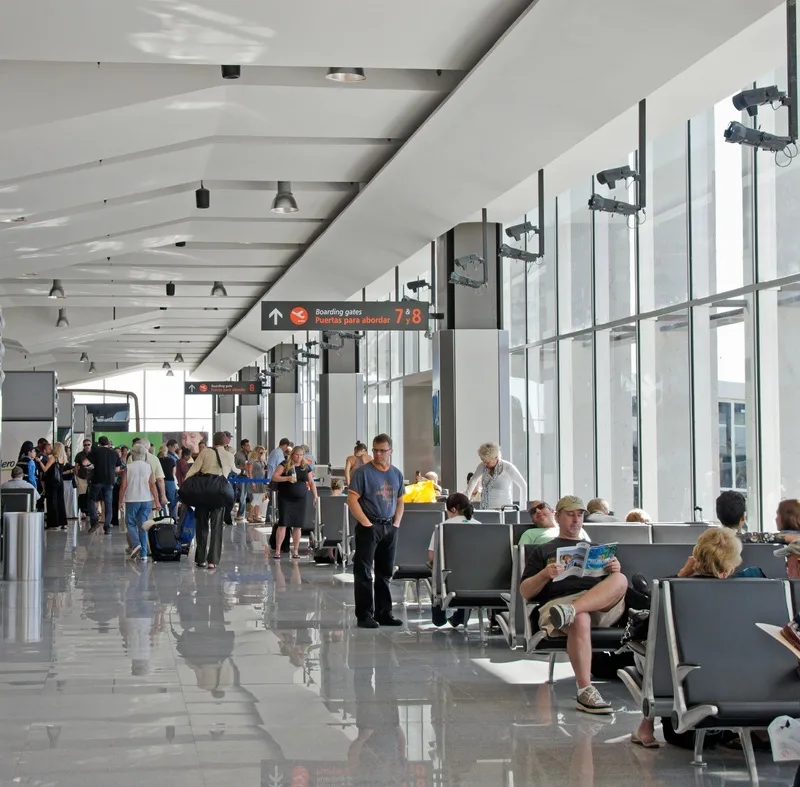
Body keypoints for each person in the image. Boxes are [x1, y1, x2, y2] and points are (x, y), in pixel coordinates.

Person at [632, 528, 743, 747]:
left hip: (679, 725)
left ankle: (645, 727)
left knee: (657, 649)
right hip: (729, 714)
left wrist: (682, 574)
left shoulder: (673, 593)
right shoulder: (740, 596)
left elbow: (651, 620)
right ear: (729, 564)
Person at [519, 496, 627, 714]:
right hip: (558, 605)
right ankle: (585, 690)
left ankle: (573, 609)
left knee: (621, 579)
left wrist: (614, 568)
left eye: (580, 515)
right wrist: (544, 575)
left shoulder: (596, 549)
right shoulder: (542, 551)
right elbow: (525, 592)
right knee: (580, 618)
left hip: (598, 604)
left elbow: (615, 585)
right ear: (557, 516)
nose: (576, 519)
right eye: (570, 514)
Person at [347, 433, 405, 629]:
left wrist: (396, 523)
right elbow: (352, 500)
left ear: (390, 451)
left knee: (385, 571)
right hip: (369, 526)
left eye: (382, 450)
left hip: (389, 526)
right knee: (364, 571)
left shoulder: (396, 474)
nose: (378, 454)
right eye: (375, 450)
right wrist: (366, 523)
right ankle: (364, 614)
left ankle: (384, 612)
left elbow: (400, 500)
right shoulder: (363, 472)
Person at [184, 432, 235, 570]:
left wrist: (185, 485)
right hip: (219, 493)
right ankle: (213, 560)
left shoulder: (205, 452)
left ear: (213, 441)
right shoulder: (229, 455)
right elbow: (234, 470)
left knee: (201, 525)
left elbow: (194, 470)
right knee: (217, 526)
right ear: (225, 442)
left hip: (203, 492)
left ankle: (201, 559)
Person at [430, 493, 480, 628]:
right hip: (477, 581)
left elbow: (432, 557)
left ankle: (439, 618)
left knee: (436, 573)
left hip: (449, 580)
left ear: (452, 509)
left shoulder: (442, 527)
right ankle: (460, 617)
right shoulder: (480, 526)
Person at [272, 446, 318, 560]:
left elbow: (311, 482)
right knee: (283, 524)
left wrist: (315, 495)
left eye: (301, 455)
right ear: (292, 454)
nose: (299, 457)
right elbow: (275, 477)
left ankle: (296, 550)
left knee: (298, 525)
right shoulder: (285, 464)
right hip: (285, 498)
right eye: (297, 454)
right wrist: (287, 478)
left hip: (301, 500)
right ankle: (278, 549)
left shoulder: (305, 466)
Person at [119, 444, 159, 561]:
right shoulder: (148, 467)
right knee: (143, 525)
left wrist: (120, 500)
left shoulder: (129, 467)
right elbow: (152, 485)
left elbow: (123, 486)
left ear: (133, 454)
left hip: (132, 499)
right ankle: (144, 554)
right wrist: (157, 501)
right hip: (146, 499)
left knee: (130, 523)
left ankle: (136, 544)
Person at [465, 442, 527, 510]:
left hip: (504, 509)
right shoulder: (482, 466)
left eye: (488, 462)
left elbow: (523, 485)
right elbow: (473, 481)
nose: (485, 464)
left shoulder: (508, 467)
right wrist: (465, 502)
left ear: (496, 457)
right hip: (485, 509)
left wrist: (523, 509)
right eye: (483, 461)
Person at [84, 436, 121, 534]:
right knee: (108, 503)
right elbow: (117, 470)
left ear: (99, 443)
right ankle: (107, 527)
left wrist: (90, 467)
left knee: (91, 499)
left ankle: (94, 521)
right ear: (108, 443)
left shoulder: (96, 451)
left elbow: (84, 462)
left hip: (97, 480)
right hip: (110, 481)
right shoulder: (114, 453)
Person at [518, 500, 589, 546]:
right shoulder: (529, 533)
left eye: (541, 506)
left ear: (552, 511)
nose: (538, 511)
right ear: (532, 520)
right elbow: (522, 560)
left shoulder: (576, 528)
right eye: (533, 511)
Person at [41, 442, 68, 530]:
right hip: (60, 482)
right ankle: (63, 522)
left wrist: (39, 461)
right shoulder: (63, 458)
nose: (51, 448)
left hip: (52, 482)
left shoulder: (53, 458)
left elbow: (45, 469)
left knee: (52, 502)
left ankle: (53, 524)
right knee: (60, 502)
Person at [137, 439, 168, 513]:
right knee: (148, 519)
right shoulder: (154, 459)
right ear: (148, 447)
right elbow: (160, 479)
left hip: (133, 494)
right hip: (149, 493)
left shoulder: (131, 458)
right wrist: (163, 496)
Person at [74, 438, 93, 521]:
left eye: (88, 444)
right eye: (85, 445)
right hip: (82, 477)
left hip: (92, 477)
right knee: (82, 495)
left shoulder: (94, 454)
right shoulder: (79, 455)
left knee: (91, 495)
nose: (87, 446)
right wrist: (77, 475)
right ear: (83, 446)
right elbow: (76, 466)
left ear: (91, 445)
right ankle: (83, 512)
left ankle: (91, 511)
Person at [233, 439, 252, 523]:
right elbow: (234, 466)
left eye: (249, 445)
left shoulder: (252, 454)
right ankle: (240, 514)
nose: (249, 446)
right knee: (242, 496)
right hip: (241, 477)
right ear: (242, 446)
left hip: (251, 477)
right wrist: (242, 468)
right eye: (247, 445)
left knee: (252, 495)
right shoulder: (237, 455)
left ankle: (252, 514)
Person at [158, 444, 178, 519]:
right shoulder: (171, 460)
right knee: (172, 501)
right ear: (167, 451)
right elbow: (173, 473)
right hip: (170, 481)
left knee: (161, 500)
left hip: (160, 481)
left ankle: (163, 518)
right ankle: (173, 519)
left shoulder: (158, 461)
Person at [248, 445, 267, 523]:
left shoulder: (261, 460)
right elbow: (249, 472)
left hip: (261, 481)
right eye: (260, 452)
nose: (262, 453)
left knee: (259, 499)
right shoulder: (252, 460)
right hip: (255, 481)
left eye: (263, 452)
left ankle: (256, 515)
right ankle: (249, 515)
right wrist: (252, 482)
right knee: (255, 499)